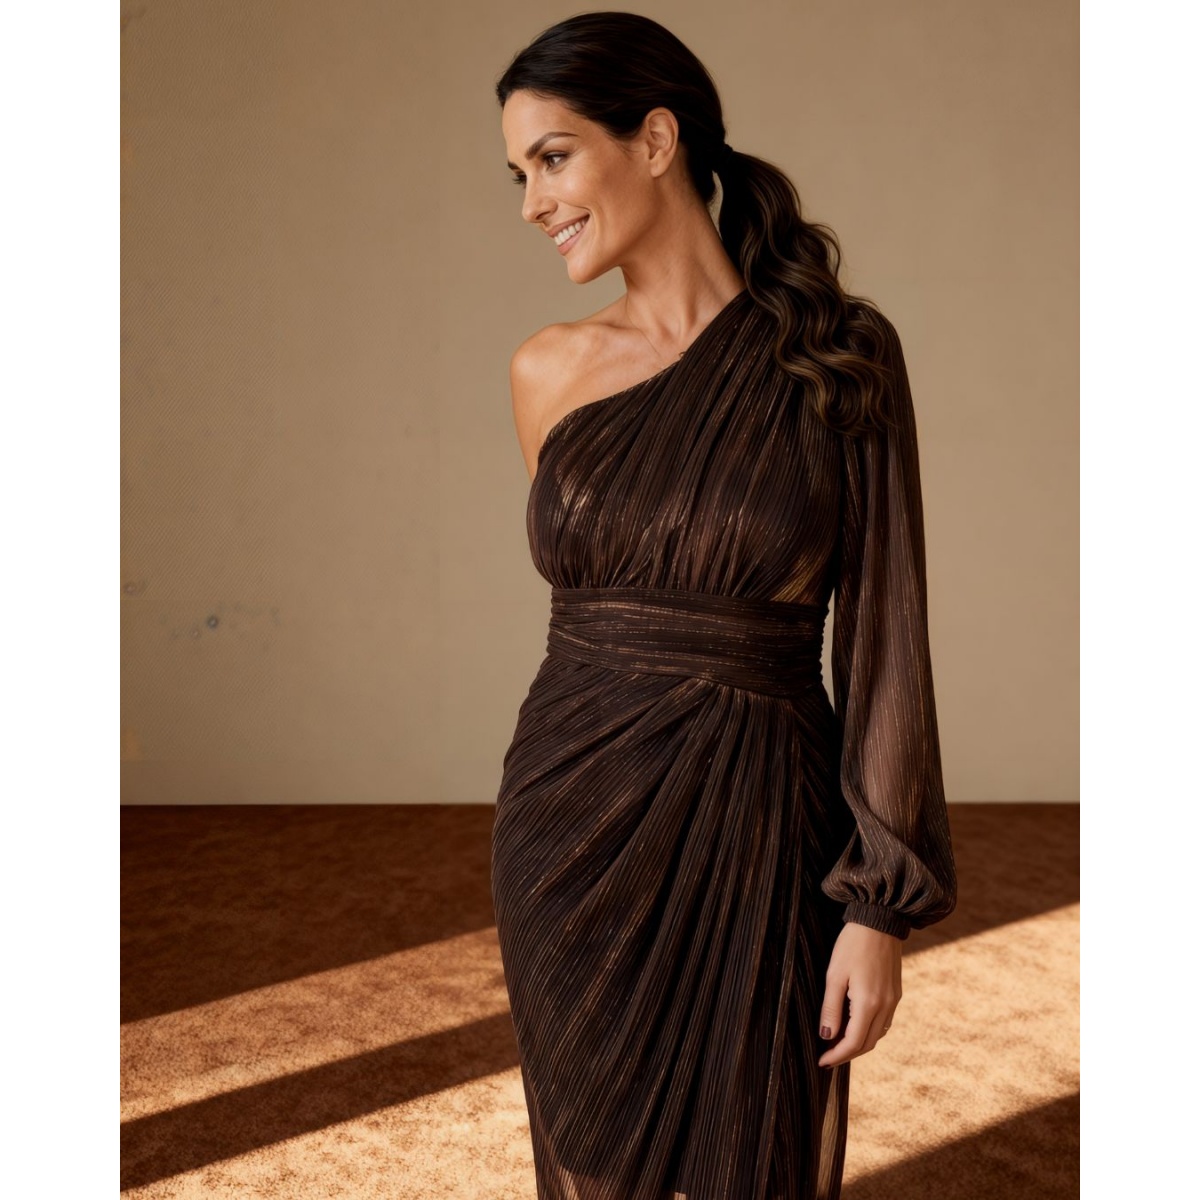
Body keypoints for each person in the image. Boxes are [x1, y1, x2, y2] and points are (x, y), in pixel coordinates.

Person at [491, 12, 957, 1200]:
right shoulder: (546, 372)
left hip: (764, 821)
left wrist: (878, 908)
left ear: (655, 139)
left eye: (552, 158)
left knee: (755, 1157)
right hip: (568, 830)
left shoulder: (838, 355)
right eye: (518, 175)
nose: (533, 202)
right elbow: (597, 613)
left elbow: (887, 642)